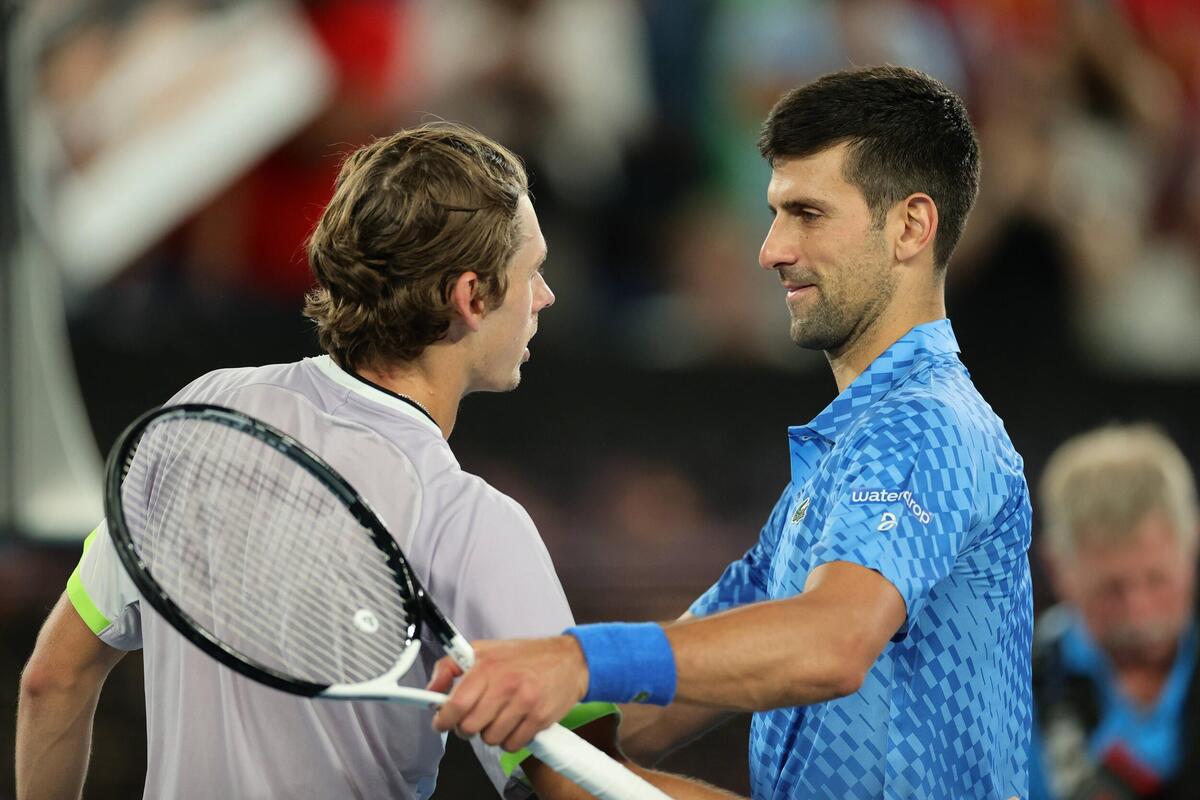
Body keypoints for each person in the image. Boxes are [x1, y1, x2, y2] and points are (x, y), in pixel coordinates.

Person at [15, 124, 739, 800]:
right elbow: (579, 788)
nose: (544, 297)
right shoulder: (471, 523)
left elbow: (52, 679)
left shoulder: (198, 414)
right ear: (471, 296)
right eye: (533, 271)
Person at [429, 65, 1034, 799]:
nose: (771, 249)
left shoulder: (926, 421)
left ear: (910, 226)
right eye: (775, 212)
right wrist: (526, 717)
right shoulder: (842, 460)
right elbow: (671, 695)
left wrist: (575, 662)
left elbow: (833, 642)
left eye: (807, 213)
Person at [1031, 425, 1200, 800]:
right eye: (1111, 590)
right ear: (1057, 568)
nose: (1139, 613)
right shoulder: (1013, 688)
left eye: (1157, 580)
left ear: (1192, 545)